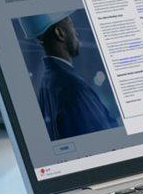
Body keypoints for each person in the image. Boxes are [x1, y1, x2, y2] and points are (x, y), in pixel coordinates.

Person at [21, 12, 118, 140]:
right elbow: (106, 135)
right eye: (72, 26)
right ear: (60, 33)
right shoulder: (74, 87)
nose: (76, 33)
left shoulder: (47, 82)